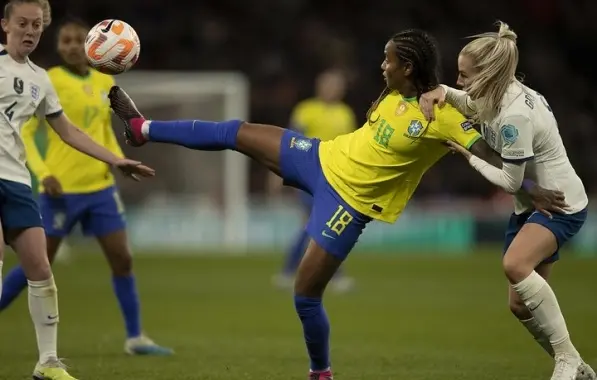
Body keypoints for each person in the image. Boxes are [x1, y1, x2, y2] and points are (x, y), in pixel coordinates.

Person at [108, 29, 565, 379]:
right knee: (236, 131)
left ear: (407, 66)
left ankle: (320, 372)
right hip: (321, 157)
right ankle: (142, 129)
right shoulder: (397, 91)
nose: (380, 65)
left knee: (304, 295)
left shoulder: (444, 114)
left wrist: (529, 191)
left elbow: (489, 156)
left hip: (347, 205)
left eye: (387, 60)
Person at [419, 21, 595, 380]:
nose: (460, 79)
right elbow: (468, 100)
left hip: (558, 204)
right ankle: (577, 364)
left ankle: (564, 359)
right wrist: (442, 90)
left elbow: (509, 180)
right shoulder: (497, 90)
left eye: (464, 74)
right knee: (519, 304)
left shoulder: (514, 116)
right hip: (532, 206)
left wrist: (468, 155)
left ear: (487, 74)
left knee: (515, 265)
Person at [0, 17, 173, 356]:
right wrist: (43, 172)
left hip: (101, 188)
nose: (72, 47)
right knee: (37, 265)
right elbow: (28, 133)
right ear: (59, 46)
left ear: (92, 43)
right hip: (60, 189)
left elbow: (109, 127)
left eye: (79, 40)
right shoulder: (50, 80)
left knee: (122, 259)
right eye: (65, 41)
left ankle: (136, 337)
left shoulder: (105, 81)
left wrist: (118, 158)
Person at [270, 69, 357, 292]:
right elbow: (290, 142)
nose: (333, 89)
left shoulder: (345, 114)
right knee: (322, 224)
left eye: (337, 85)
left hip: (337, 177)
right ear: (319, 87)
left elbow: (350, 148)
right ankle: (327, 275)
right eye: (329, 85)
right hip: (311, 174)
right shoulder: (306, 110)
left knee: (320, 226)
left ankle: (290, 271)